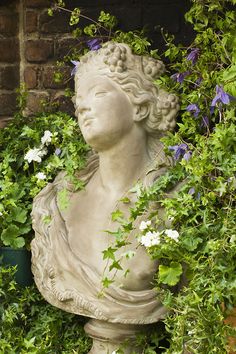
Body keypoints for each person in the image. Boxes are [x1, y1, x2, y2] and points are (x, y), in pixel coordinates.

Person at [31, 42, 179, 351]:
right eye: (79, 100)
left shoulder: (179, 201)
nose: (83, 107)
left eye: (98, 94)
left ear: (139, 107)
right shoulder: (55, 203)